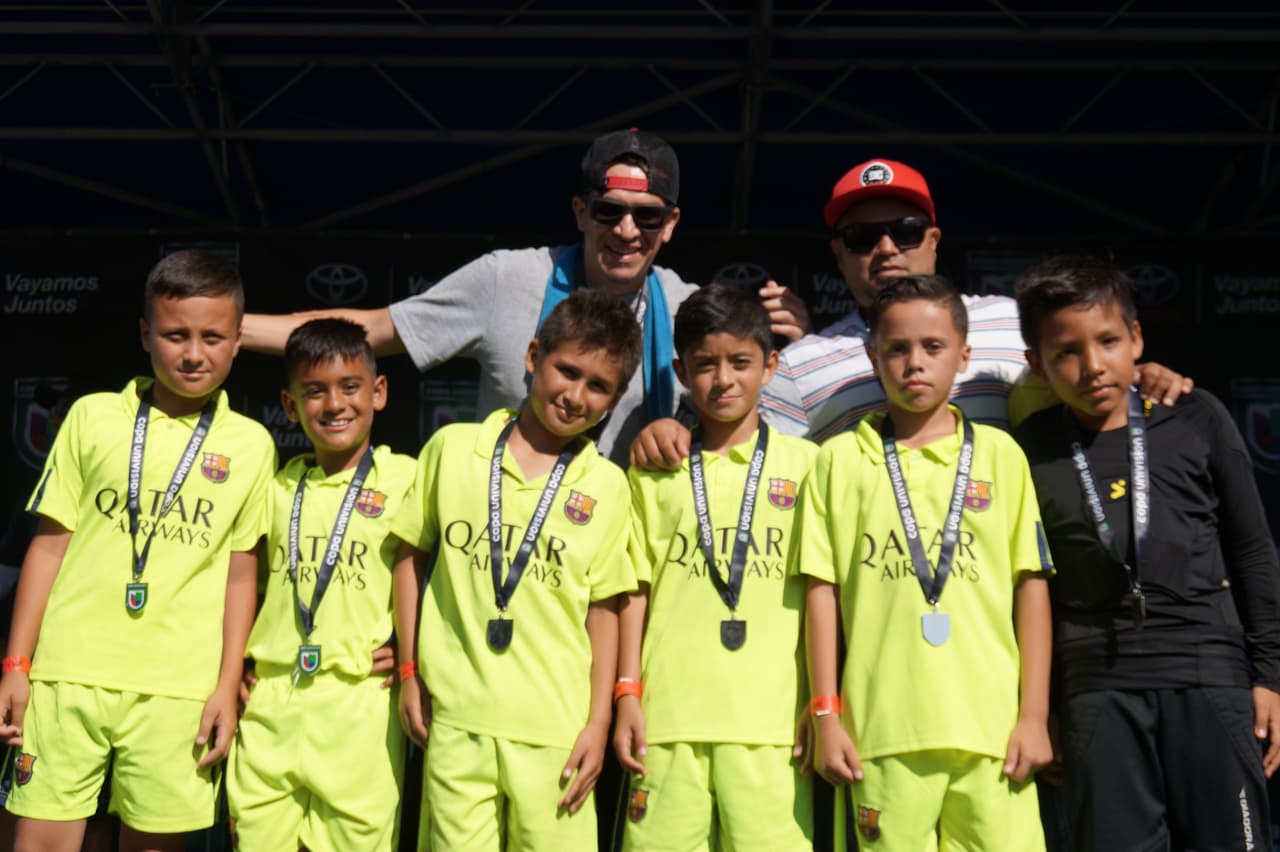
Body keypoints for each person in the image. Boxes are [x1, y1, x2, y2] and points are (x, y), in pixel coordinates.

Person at [241, 129, 810, 465]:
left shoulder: (689, 308)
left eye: (647, 217)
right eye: (608, 211)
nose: (626, 231)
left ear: (672, 224)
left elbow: (754, 422)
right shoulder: (507, 279)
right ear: (580, 212)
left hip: (625, 566)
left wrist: (805, 344)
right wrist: (225, 330)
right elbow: (372, 330)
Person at [629, 157, 1189, 468]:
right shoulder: (801, 362)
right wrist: (671, 429)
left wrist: (1139, 377)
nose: (886, 248)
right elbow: (731, 448)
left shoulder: (1010, 319)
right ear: (838, 254)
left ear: (935, 239)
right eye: (862, 237)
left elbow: (1084, 380)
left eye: (906, 231)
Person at [0, 250, 275, 852]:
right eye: (176, 335)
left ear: (237, 342)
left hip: (180, 689)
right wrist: (16, 664)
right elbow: (48, 547)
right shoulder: (91, 417)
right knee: (40, 841)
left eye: (212, 337)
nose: (194, 353)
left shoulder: (251, 444)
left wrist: (226, 684)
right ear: (146, 334)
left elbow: (240, 573)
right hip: (67, 674)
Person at [1012, 256, 1280, 851]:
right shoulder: (1027, 449)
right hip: (1094, 692)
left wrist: (1271, 676)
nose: (1092, 366)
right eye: (1066, 352)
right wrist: (1040, 706)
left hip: (1208, 677)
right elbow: (1030, 590)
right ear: (1036, 364)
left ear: (1136, 338)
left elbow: (1253, 551)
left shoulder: (1195, 415)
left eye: (1108, 341)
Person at [798, 275, 1054, 851]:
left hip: (993, 735)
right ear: (873, 357)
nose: (915, 363)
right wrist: (825, 714)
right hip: (879, 735)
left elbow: (1031, 587)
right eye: (897, 348)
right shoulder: (837, 461)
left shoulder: (1001, 454)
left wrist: (1034, 715)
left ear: (963, 355)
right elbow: (820, 594)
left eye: (933, 347)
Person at [391, 289, 641, 850]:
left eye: (597, 386)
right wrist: (409, 671)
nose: (574, 396)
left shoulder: (607, 485)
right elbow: (409, 555)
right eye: (567, 371)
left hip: (558, 731)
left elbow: (604, 610)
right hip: (456, 722)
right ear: (533, 357)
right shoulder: (452, 449)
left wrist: (598, 723)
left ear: (616, 397)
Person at [615, 284, 818, 851]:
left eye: (740, 363)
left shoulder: (810, 466)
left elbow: (823, 591)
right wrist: (627, 692)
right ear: (681, 371)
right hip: (666, 722)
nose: (723, 379)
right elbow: (634, 590)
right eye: (705, 364)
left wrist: (821, 701)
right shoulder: (655, 470)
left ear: (770, 366)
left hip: (772, 727)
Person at [226, 319, 413, 851]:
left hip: (361, 703)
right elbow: (238, 581)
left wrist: (412, 652)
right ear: (289, 405)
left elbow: (440, 581)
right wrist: (233, 664)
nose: (334, 404)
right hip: (270, 700)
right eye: (315, 391)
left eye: (350, 386)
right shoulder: (273, 486)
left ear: (378, 392)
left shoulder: (409, 479)